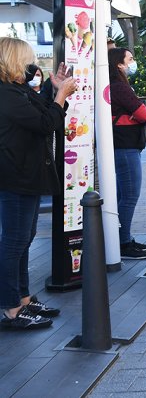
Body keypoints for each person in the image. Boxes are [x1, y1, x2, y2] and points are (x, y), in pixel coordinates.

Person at [1, 38, 76, 330]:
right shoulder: (6, 94)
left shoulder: (17, 90)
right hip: (16, 176)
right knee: (14, 242)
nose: (32, 64)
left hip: (26, 175)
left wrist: (53, 89)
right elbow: (46, 123)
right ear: (14, 60)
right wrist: (60, 97)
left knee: (23, 238)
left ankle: (22, 298)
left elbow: (42, 111)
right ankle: (11, 308)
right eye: (28, 59)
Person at [109, 48, 146, 260]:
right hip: (126, 145)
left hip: (120, 144)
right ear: (119, 64)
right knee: (130, 195)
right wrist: (135, 116)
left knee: (121, 195)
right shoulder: (120, 87)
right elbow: (144, 114)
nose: (132, 63)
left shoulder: (114, 86)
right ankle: (123, 242)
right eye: (130, 59)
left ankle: (120, 237)